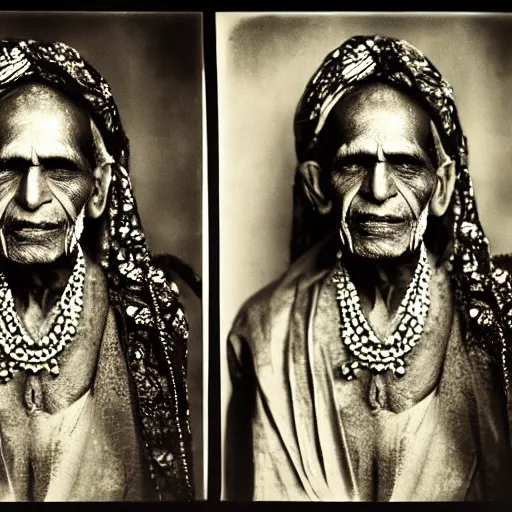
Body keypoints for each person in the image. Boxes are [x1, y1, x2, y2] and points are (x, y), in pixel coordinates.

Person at [224, 34, 512, 501]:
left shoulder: (496, 326)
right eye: (355, 164)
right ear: (317, 187)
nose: (379, 189)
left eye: (404, 164)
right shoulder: (264, 332)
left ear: (441, 189)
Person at [0, 38, 199, 501]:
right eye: (7, 168)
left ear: (99, 189)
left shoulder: (155, 316)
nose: (31, 197)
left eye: (60, 169)